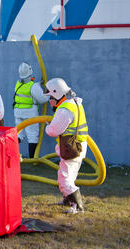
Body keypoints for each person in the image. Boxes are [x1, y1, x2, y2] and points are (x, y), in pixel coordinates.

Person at [44, 78, 88, 214]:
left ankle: (78, 207)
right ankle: (68, 199)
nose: (50, 100)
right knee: (69, 176)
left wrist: (47, 127)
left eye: (51, 97)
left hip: (72, 148)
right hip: (78, 146)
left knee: (64, 179)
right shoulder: (74, 103)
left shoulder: (64, 110)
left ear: (57, 94)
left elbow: (53, 131)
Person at [13, 62, 49, 158]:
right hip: (30, 113)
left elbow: (27, 86)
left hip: (18, 112)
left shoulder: (18, 84)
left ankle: (10, 154)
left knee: (19, 134)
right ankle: (33, 158)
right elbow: (43, 99)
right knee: (32, 136)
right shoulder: (34, 86)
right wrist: (48, 93)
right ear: (30, 71)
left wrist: (38, 84)